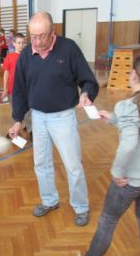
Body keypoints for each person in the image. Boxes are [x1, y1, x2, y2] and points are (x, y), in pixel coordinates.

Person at [59, 53, 140, 256]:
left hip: (130, 180)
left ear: (136, 75)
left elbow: (129, 144)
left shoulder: (128, 105)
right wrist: (115, 120)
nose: (128, 73)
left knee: (107, 220)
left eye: (131, 70)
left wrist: (117, 172)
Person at [8, 12, 99, 226]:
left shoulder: (68, 49)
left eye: (42, 36)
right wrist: (17, 119)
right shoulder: (25, 56)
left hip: (63, 117)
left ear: (53, 33)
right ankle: (49, 201)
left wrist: (86, 94)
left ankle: (81, 207)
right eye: (33, 36)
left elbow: (88, 79)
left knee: (72, 165)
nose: (37, 42)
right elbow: (19, 90)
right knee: (41, 163)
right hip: (37, 118)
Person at [2, 33, 26, 101]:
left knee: (27, 111)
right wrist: (5, 88)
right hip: (12, 90)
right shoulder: (9, 57)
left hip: (25, 90)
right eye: (19, 43)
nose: (21, 45)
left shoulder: (27, 57)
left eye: (23, 43)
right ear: (14, 43)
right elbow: (6, 74)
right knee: (15, 110)